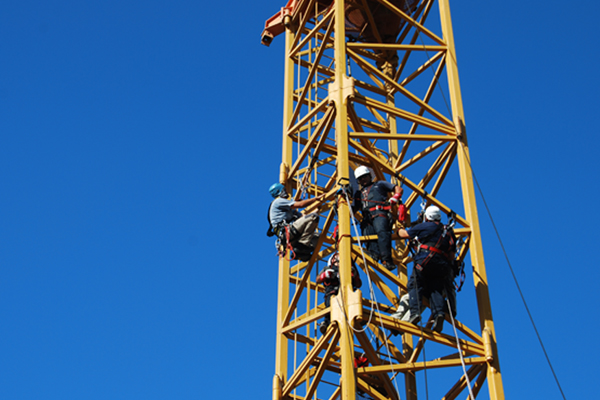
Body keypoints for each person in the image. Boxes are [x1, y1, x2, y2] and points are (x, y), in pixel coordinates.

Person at [397, 205, 457, 332]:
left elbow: (404, 234)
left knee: (415, 285)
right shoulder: (448, 232)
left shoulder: (425, 226)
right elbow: (451, 255)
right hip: (442, 266)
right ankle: (439, 314)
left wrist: (398, 229)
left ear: (427, 217)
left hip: (425, 261)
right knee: (435, 289)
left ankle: (415, 313)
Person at [353, 166, 403, 271]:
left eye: (364, 176)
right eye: (360, 178)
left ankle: (387, 260)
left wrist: (395, 197)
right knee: (367, 234)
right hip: (367, 217)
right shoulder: (359, 194)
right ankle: (374, 254)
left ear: (369, 176)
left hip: (379, 213)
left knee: (382, 233)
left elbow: (398, 188)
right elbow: (354, 209)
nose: (363, 179)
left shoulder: (379, 184)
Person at [267, 182, 324, 261]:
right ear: (279, 191)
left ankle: (303, 252)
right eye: (284, 190)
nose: (287, 192)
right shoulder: (278, 201)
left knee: (318, 237)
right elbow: (301, 205)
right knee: (313, 217)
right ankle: (302, 246)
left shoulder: (289, 211)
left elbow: (304, 217)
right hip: (288, 232)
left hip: (291, 236)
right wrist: (315, 199)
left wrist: (318, 208)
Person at [316, 252, 362, 334]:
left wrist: (354, 275)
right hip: (332, 292)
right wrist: (325, 275)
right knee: (330, 306)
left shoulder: (349, 269)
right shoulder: (327, 269)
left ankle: (357, 318)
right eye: (337, 259)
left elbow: (359, 284)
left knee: (353, 302)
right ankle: (326, 323)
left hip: (347, 294)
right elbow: (317, 280)